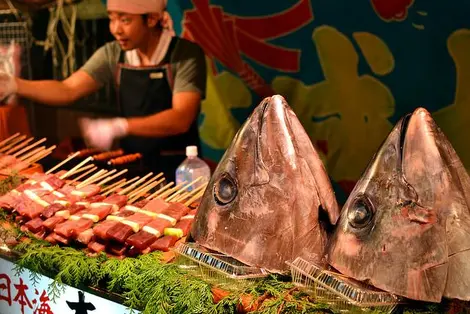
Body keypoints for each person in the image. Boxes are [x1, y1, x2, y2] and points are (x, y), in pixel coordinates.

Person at [0, 0, 207, 182]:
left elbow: (181, 117)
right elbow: (68, 89)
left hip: (182, 168)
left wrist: (120, 126)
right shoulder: (113, 53)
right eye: (112, 19)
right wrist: (15, 84)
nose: (115, 29)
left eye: (125, 20)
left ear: (152, 19)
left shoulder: (185, 55)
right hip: (132, 164)